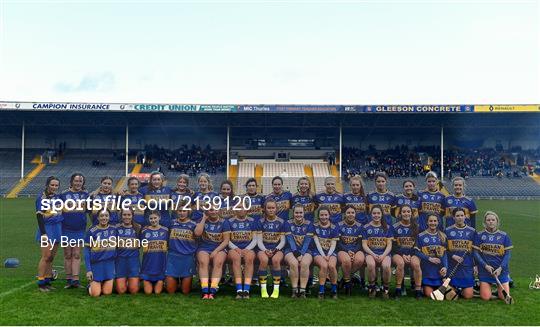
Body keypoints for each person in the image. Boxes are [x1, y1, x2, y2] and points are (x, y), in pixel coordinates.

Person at [473, 211, 513, 301]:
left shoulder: (504, 236)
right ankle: (482, 287)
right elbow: (475, 253)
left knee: (503, 297)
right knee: (485, 297)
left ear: (497, 222)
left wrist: (500, 268)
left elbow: (507, 254)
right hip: (485, 271)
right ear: (485, 222)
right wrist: (485, 266)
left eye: (493, 220)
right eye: (488, 220)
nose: (491, 222)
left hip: (501, 271)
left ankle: (498, 289)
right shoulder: (479, 235)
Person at [59, 173, 88, 289]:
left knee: (76, 254)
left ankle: (75, 280)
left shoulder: (86, 194)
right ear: (71, 182)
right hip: (66, 228)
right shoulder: (64, 194)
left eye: (80, 181)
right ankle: (68, 279)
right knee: (67, 254)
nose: (78, 183)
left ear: (83, 183)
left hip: (79, 229)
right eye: (76, 181)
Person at [194, 207, 230, 299]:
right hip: (204, 247)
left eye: (215, 209)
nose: (213, 212)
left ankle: (213, 289)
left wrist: (216, 251)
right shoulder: (202, 220)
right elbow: (197, 233)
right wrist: (203, 219)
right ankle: (205, 290)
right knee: (203, 262)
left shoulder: (224, 222)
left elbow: (226, 241)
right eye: (211, 210)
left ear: (219, 210)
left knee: (218, 262)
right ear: (207, 211)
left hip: (219, 248)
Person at [35, 176, 63, 292]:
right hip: (47, 229)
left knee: (51, 257)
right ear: (47, 185)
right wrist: (43, 233)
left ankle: (47, 280)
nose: (54, 187)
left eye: (56, 185)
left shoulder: (58, 197)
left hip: (57, 228)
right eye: (52, 185)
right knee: (46, 256)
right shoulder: (41, 198)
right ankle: (41, 282)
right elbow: (39, 216)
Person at [256, 199, 287, 298]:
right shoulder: (260, 222)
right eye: (268, 208)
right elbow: (259, 241)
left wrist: (275, 250)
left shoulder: (282, 222)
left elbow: (282, 241)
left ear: (276, 209)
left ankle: (276, 289)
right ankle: (263, 289)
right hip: (263, 248)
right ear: (265, 209)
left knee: (276, 260)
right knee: (264, 260)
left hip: (277, 248)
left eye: (273, 208)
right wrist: (265, 250)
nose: (271, 210)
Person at [362, 205, 393, 299]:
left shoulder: (387, 227)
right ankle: (372, 287)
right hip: (371, 252)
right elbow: (364, 245)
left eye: (378, 213)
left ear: (382, 214)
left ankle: (385, 288)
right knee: (371, 265)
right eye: (374, 213)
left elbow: (389, 244)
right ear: (371, 214)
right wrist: (373, 254)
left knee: (386, 266)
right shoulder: (366, 227)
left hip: (384, 253)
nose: (376, 215)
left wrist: (383, 255)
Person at [84, 209, 117, 297]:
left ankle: (102, 284)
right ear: (98, 218)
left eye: (106, 216)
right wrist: (89, 270)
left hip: (109, 265)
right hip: (96, 264)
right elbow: (87, 251)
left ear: (109, 217)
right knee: (95, 294)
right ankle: (90, 286)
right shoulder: (92, 231)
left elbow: (117, 248)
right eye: (102, 216)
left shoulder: (114, 230)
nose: (104, 218)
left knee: (107, 292)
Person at [165, 205, 197, 295]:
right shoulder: (171, 223)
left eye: (184, 211)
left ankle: (183, 280)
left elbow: (198, 240)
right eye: (180, 211)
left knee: (185, 291)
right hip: (173, 257)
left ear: (188, 212)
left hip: (187, 258)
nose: (182, 213)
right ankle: (173, 280)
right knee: (171, 291)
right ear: (176, 211)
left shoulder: (193, 225)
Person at [414, 214, 448, 298]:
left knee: (445, 293)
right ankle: (423, 287)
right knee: (429, 295)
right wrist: (429, 258)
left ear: (438, 222)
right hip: (427, 271)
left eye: (435, 221)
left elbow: (445, 254)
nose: (433, 223)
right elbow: (416, 252)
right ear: (427, 222)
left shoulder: (443, 236)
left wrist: (445, 267)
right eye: (431, 221)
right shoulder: (421, 236)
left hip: (439, 271)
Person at [283, 204, 314, 298]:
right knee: (293, 263)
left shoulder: (309, 224)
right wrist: (296, 253)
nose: (298, 215)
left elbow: (307, 241)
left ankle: (303, 291)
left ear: (304, 213)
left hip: (306, 250)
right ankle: (294, 290)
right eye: (296, 212)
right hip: (291, 250)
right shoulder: (288, 223)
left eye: (301, 212)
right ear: (293, 213)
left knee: (304, 263)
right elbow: (290, 240)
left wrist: (302, 254)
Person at [227, 207, 259, 299]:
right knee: (236, 259)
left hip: (248, 248)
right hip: (234, 248)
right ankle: (239, 289)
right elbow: (227, 239)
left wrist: (247, 248)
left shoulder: (252, 221)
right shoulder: (229, 221)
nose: (241, 210)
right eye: (239, 207)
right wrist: (236, 248)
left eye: (243, 208)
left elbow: (255, 239)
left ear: (247, 209)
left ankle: (246, 290)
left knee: (249, 259)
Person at [392, 204, 422, 299]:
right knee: (400, 263)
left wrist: (410, 254)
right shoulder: (395, 227)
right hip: (398, 253)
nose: (406, 213)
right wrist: (403, 254)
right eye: (404, 211)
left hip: (412, 253)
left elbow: (417, 244)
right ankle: (398, 289)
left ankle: (417, 290)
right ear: (400, 213)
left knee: (416, 264)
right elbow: (393, 246)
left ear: (411, 213)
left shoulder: (416, 227)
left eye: (408, 211)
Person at [445, 208, 476, 299]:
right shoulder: (447, 231)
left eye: (462, 215)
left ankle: (461, 290)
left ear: (465, 216)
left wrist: (475, 265)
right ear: (453, 217)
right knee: (451, 291)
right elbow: (443, 249)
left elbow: (475, 250)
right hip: (452, 266)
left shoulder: (472, 231)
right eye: (457, 216)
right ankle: (456, 289)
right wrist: (453, 255)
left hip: (467, 266)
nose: (460, 218)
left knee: (468, 296)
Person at [312, 206, 339, 299]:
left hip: (330, 252)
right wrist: (323, 255)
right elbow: (317, 243)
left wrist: (328, 255)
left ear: (329, 215)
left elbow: (333, 244)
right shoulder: (314, 226)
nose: (324, 217)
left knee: (331, 266)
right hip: (318, 252)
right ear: (318, 216)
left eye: (326, 215)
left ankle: (334, 289)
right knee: (324, 265)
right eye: (322, 215)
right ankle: (321, 290)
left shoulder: (334, 227)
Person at [337, 205, 364, 295]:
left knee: (360, 260)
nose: (350, 214)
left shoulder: (360, 226)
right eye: (348, 213)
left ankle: (344, 279)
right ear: (345, 214)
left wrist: (354, 251)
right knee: (346, 260)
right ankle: (348, 286)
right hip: (343, 249)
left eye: (352, 212)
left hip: (356, 249)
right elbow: (339, 243)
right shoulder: (339, 225)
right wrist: (348, 251)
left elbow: (360, 243)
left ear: (355, 214)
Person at [140, 211, 168, 294]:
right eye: (151, 218)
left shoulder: (165, 230)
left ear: (159, 218)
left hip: (160, 266)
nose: (153, 220)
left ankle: (163, 280)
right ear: (148, 219)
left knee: (157, 292)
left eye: (155, 218)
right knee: (148, 292)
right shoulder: (144, 231)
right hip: (148, 265)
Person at [115, 208, 141, 294]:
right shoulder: (116, 228)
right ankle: (124, 280)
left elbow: (140, 245)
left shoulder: (138, 228)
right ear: (121, 216)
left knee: (133, 291)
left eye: (129, 215)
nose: (127, 217)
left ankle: (132, 280)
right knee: (121, 291)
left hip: (133, 261)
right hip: (120, 260)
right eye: (124, 215)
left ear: (132, 216)